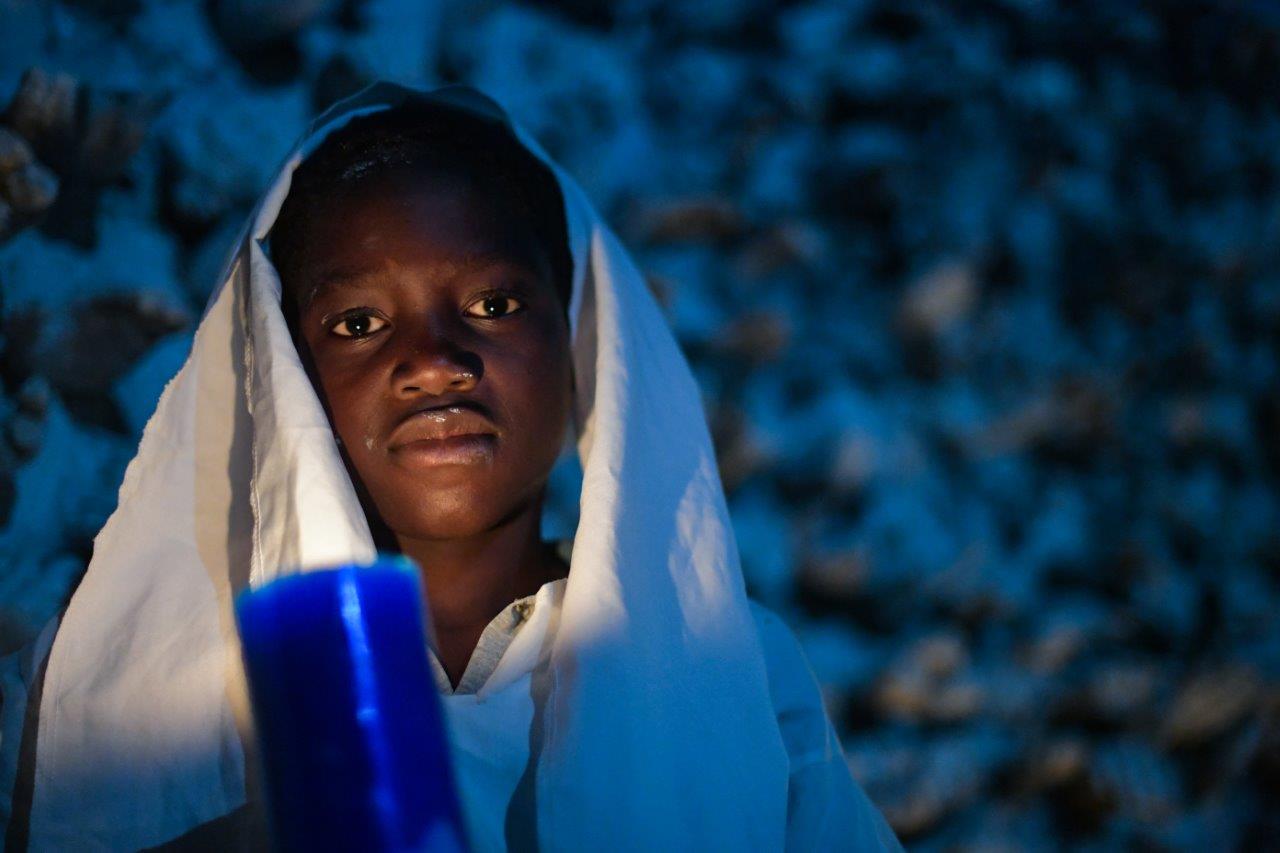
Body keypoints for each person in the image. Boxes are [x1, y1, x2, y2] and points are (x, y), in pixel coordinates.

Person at [0, 82, 902, 851]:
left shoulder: (726, 666)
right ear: (283, 369)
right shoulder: (153, 670)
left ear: (584, 336)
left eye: (493, 301)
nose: (435, 361)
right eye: (357, 324)